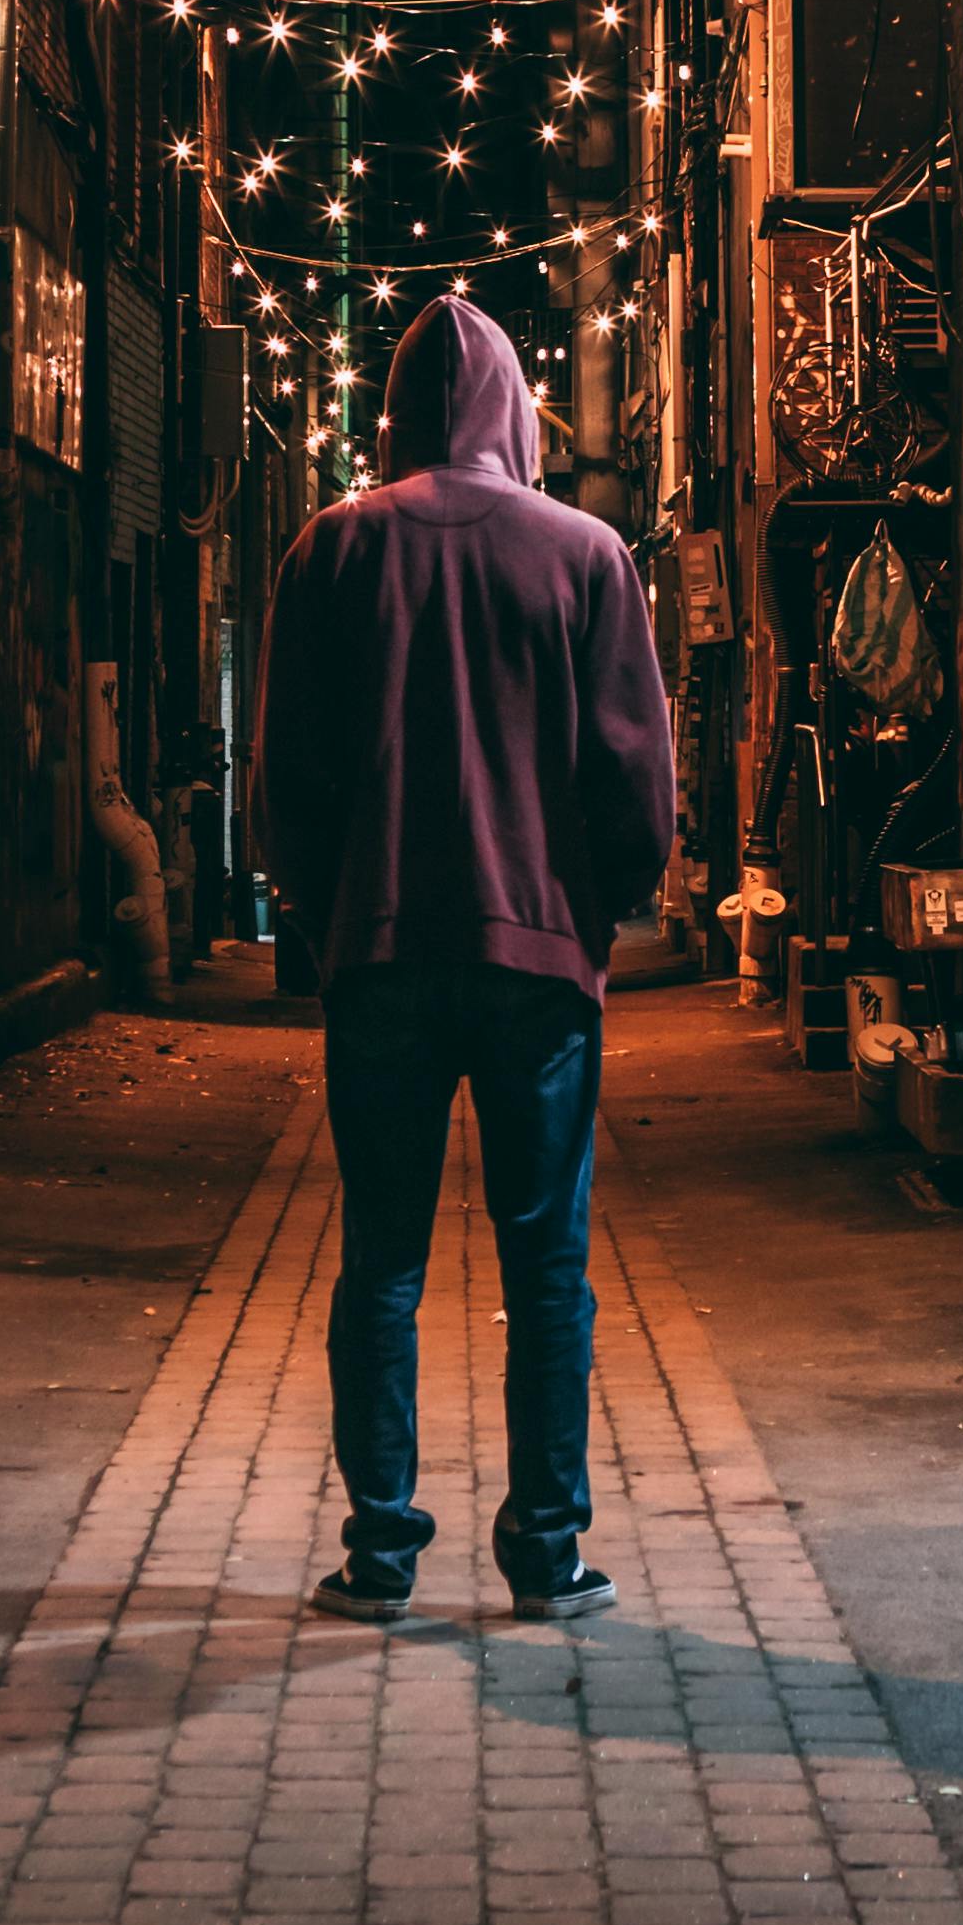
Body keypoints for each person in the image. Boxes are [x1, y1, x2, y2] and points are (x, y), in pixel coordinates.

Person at [257, 297, 677, 1623]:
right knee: (544, 1257)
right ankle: (544, 1554)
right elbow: (633, 777)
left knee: (380, 1254)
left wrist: (330, 916)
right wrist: (599, 908)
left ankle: (380, 1551)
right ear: (516, 407)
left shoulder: (331, 547)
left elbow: (288, 780)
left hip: (378, 956)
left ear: (394, 409)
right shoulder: (586, 553)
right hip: (538, 966)